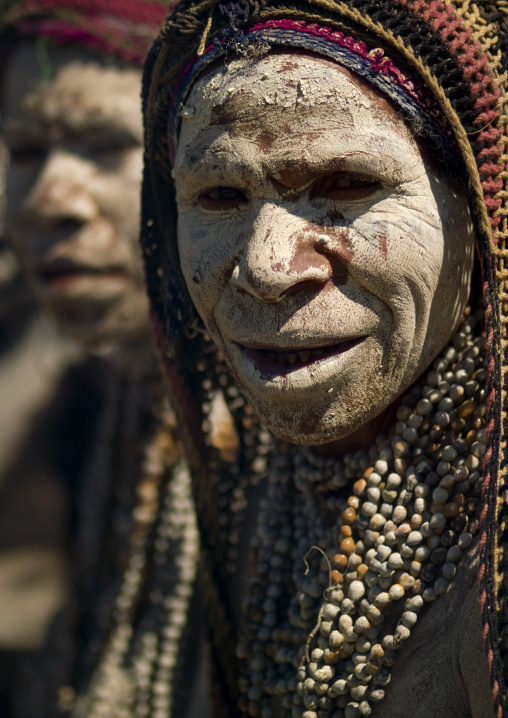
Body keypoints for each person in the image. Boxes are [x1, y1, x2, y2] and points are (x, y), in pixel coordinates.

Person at [139, 1, 508, 716]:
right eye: (220, 195)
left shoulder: (488, 562)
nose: (268, 266)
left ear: (483, 206)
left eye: (346, 185)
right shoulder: (253, 501)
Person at [0, 3, 200, 717]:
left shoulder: (308, 434)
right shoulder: (106, 404)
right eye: (25, 152)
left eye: (105, 145)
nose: (52, 201)